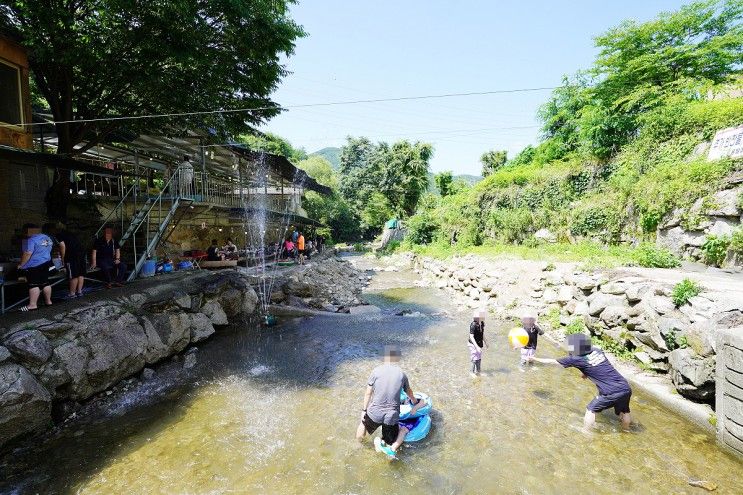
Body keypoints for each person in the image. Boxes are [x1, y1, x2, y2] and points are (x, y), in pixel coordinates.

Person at [529, 333, 633, 431]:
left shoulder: (575, 359)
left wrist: (534, 358)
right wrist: (586, 373)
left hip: (610, 391)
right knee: (624, 410)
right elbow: (597, 365)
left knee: (590, 409)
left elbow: (553, 362)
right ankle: (626, 430)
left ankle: (586, 431)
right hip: (625, 387)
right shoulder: (597, 351)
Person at [356, 345, 421, 459]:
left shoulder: (375, 372)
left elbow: (368, 393)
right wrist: (415, 401)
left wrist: (364, 410)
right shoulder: (401, 374)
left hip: (375, 412)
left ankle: (359, 446)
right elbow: (409, 392)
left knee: (363, 423)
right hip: (391, 417)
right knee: (390, 442)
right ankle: (386, 451)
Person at [18, 223, 54, 311]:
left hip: (34, 265)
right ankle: (48, 301)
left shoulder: (30, 240)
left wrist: (21, 265)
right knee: (45, 283)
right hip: (46, 263)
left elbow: (27, 253)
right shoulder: (47, 237)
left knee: (33, 284)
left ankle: (32, 305)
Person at [55, 226, 87, 298]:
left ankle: (72, 293)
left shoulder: (58, 235)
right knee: (80, 273)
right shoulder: (70, 234)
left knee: (73, 274)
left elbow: (62, 246)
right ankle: (79, 291)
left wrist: (63, 259)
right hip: (81, 253)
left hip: (71, 255)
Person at [468, 311, 488, 376]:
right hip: (473, 344)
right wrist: (476, 347)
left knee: (479, 358)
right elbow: (471, 336)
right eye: (482, 316)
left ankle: (478, 371)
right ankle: (471, 372)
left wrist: (486, 341)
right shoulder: (473, 325)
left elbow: (482, 333)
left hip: (479, 344)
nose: (484, 317)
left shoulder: (482, 323)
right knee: (474, 358)